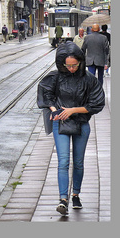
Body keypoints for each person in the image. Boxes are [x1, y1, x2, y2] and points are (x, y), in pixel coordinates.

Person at [38, 43, 105, 215]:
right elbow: (47, 95)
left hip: (81, 122)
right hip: (60, 122)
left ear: (81, 62)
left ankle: (75, 194)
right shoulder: (56, 77)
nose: (71, 68)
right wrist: (55, 110)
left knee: (79, 162)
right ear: (62, 63)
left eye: (74, 65)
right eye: (68, 65)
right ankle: (63, 199)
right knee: (63, 161)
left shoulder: (89, 79)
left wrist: (72, 110)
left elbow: (96, 104)